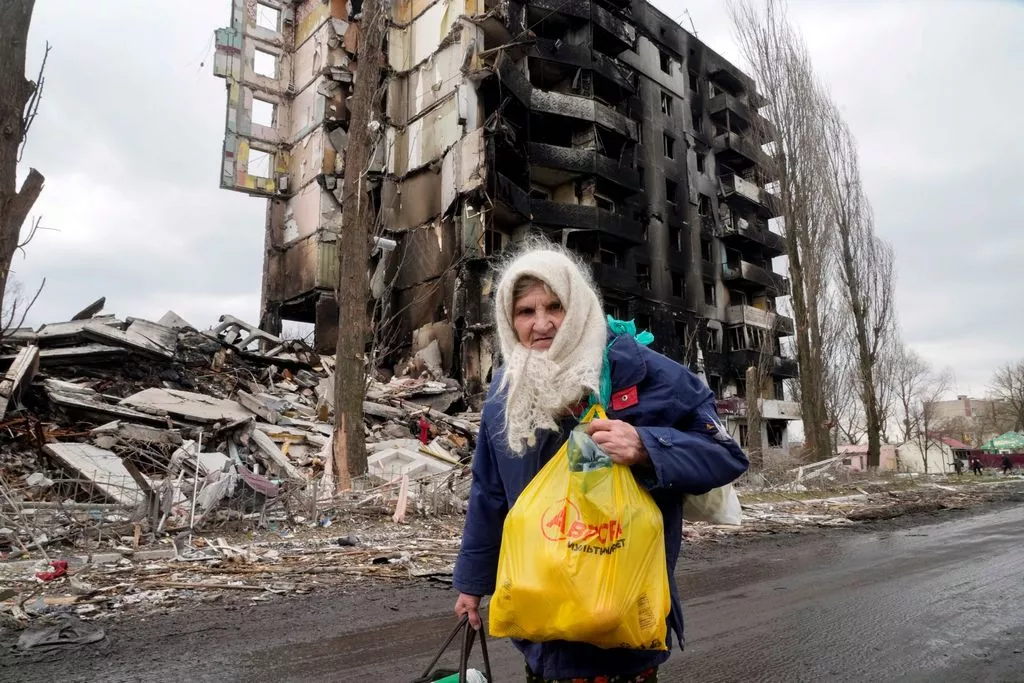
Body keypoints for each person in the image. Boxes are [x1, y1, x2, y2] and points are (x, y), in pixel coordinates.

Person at [452, 244, 749, 682]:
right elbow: (490, 494)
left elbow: (725, 456)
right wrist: (472, 584)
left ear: (579, 306)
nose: (542, 324)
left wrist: (646, 446)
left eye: (555, 307)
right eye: (526, 311)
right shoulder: (507, 394)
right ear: (508, 321)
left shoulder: (644, 373)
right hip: (543, 628)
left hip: (623, 627)